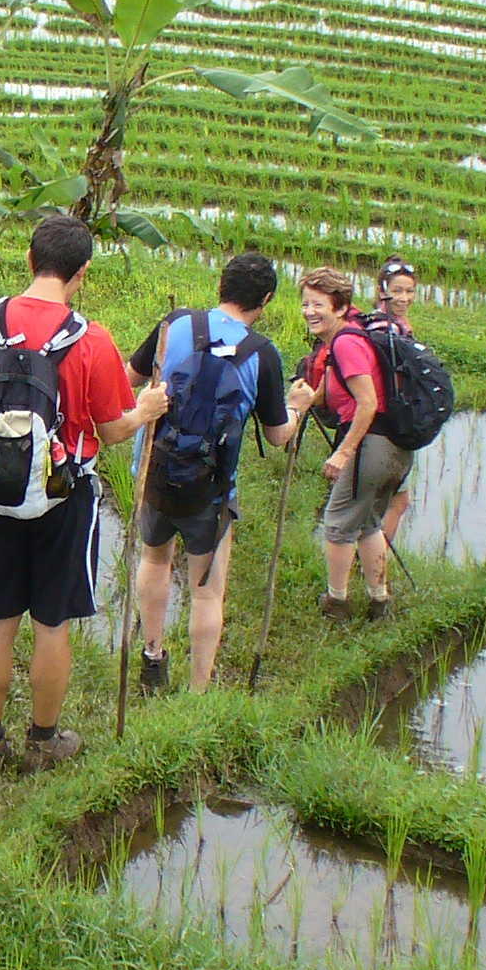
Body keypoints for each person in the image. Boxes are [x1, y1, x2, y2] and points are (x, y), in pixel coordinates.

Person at [0, 212, 169, 776]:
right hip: (66, 499)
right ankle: (43, 741)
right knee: (51, 624)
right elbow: (112, 430)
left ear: (28, 259)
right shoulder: (90, 339)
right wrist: (146, 410)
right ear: (82, 273)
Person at [128, 252, 299, 693]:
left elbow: (130, 375)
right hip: (211, 488)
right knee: (207, 589)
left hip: (154, 469)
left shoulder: (177, 323)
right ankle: (199, 689)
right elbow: (279, 436)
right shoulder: (263, 354)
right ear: (265, 300)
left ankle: (152, 655)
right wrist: (299, 406)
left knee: (154, 558)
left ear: (220, 285)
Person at [284, 266, 408, 621]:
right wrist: (310, 397)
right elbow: (338, 391)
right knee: (368, 523)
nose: (309, 311)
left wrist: (343, 452)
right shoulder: (346, 338)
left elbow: (366, 403)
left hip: (371, 445)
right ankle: (379, 601)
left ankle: (336, 603)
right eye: (306, 303)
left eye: (318, 304)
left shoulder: (346, 343)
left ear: (339, 307)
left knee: (338, 526)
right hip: (393, 446)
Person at [371, 258, 418, 552]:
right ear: (382, 290)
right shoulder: (385, 327)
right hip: (389, 423)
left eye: (409, 292)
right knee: (395, 500)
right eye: (397, 291)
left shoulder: (391, 323)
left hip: (385, 421)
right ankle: (374, 561)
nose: (403, 298)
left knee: (390, 500)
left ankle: (369, 560)